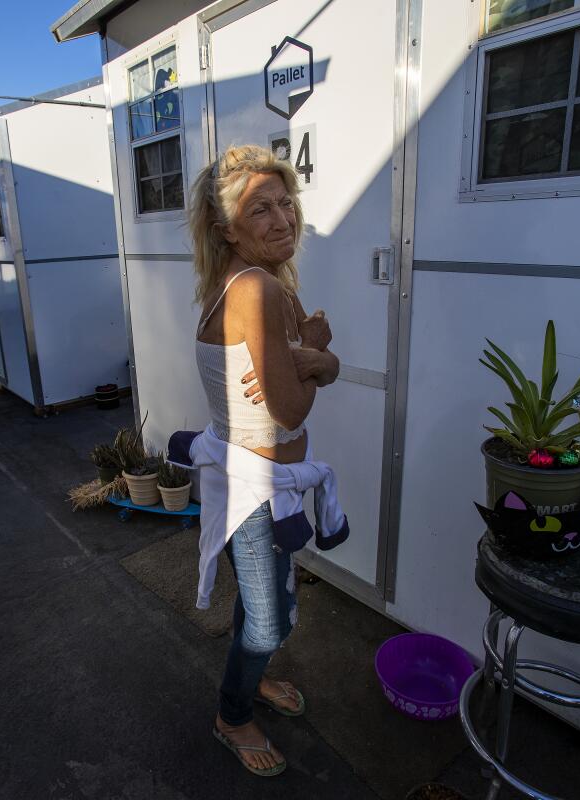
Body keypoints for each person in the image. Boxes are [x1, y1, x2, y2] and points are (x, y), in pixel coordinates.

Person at [179, 144, 346, 777]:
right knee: (268, 621)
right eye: (260, 210)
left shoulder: (241, 284)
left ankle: (255, 681)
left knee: (262, 602)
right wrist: (319, 362)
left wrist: (316, 358)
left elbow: (310, 359)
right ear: (227, 229)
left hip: (256, 479)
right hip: (257, 490)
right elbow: (294, 410)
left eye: (286, 203)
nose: (282, 220)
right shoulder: (257, 291)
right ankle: (232, 713)